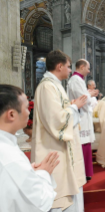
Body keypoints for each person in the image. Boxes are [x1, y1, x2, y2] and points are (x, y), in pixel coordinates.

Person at [31, 50, 87, 212]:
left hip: (60, 148)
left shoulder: (54, 85)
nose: (70, 70)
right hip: (53, 150)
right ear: (59, 66)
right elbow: (57, 121)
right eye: (69, 67)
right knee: (59, 198)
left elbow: (58, 113)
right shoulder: (47, 87)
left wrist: (71, 106)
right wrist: (75, 107)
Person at [0, 84, 59, 212]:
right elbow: (40, 201)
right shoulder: (11, 158)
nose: (29, 112)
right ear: (11, 114)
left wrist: (27, 172)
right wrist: (44, 173)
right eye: (27, 107)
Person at [67, 59, 99, 181]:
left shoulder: (79, 80)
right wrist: (91, 96)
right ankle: (83, 173)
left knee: (85, 144)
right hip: (81, 116)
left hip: (83, 116)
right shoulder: (76, 80)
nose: (89, 70)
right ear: (81, 67)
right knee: (82, 144)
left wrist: (90, 96)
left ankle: (85, 172)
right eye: (88, 68)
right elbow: (84, 100)